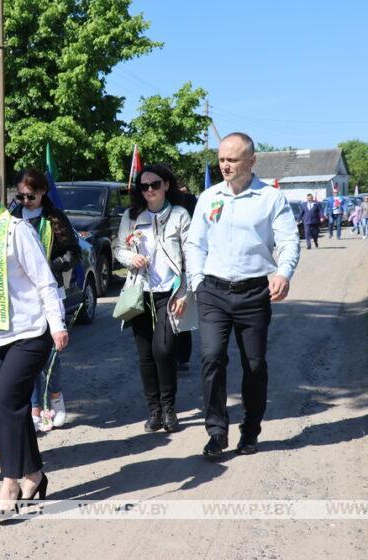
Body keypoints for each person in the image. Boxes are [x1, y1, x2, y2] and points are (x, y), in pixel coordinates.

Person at [0, 160, 67, 517]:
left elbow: (44, 280)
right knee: (14, 407)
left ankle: (11, 481)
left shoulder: (17, 231)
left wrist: (57, 324)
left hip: (30, 331)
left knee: (4, 402)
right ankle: (34, 474)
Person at [185, 132, 300, 458]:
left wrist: (283, 273)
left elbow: (289, 241)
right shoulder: (209, 198)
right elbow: (196, 244)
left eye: (232, 160)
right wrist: (197, 281)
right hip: (213, 291)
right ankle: (216, 431)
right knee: (211, 358)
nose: (225, 165)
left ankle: (250, 431)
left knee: (254, 365)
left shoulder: (271, 199)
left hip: (253, 293)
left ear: (251, 161)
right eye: (221, 159)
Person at [115, 164, 195, 433]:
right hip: (140, 292)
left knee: (164, 350)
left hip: (168, 293)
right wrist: (131, 258)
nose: (149, 190)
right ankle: (154, 411)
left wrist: (184, 292)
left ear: (166, 185)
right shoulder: (132, 216)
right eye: (144, 186)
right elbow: (119, 249)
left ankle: (169, 407)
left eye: (155, 184)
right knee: (145, 355)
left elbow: (190, 257)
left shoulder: (180, 215)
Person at [10, 169, 81, 432]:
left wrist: (47, 266)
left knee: (51, 352)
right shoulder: (12, 217)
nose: (25, 201)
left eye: (30, 196)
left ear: (42, 192)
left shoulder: (54, 218)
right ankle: (35, 408)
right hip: (21, 297)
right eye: (20, 196)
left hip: (50, 291)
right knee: (29, 354)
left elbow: (74, 253)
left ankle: (56, 398)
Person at [176, 185, 198, 370]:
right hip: (160, 268)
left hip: (184, 265)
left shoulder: (189, 200)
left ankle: (183, 357)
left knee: (181, 311)